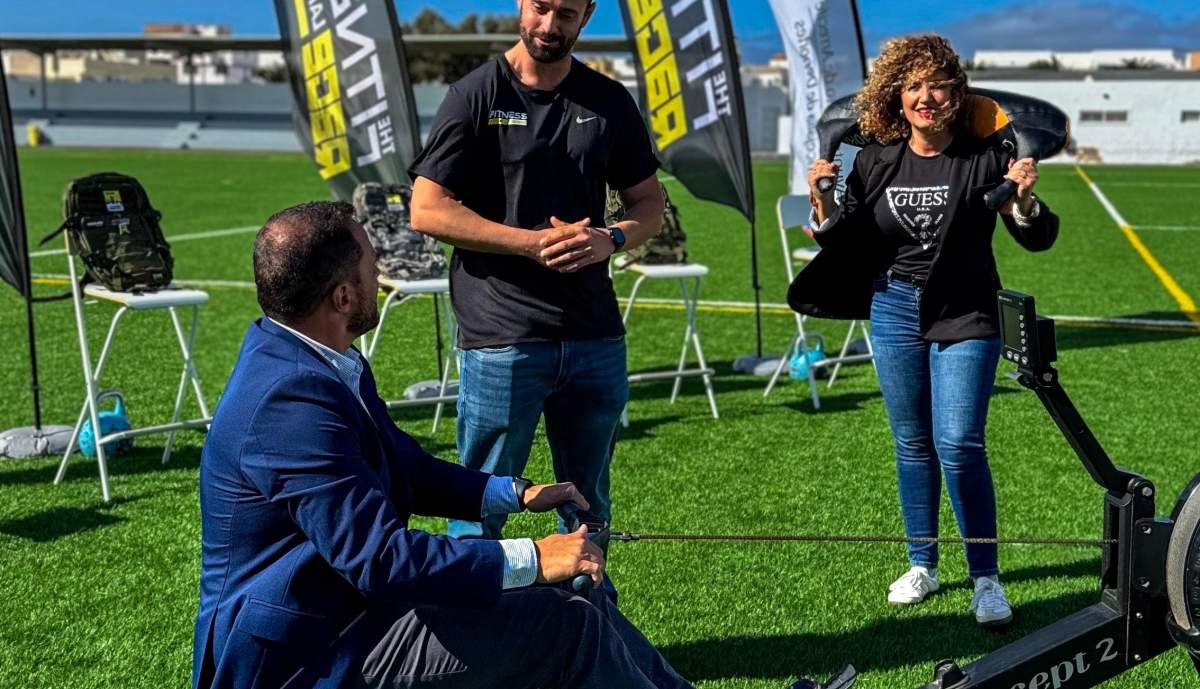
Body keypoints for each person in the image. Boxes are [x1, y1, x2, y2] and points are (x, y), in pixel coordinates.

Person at [192, 201, 694, 689]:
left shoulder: (321, 359)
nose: (381, 271)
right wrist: (534, 557)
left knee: (579, 594)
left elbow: (403, 466)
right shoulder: (287, 403)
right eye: (372, 263)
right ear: (342, 298)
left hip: (358, 612)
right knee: (564, 624)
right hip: (311, 653)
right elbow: (380, 560)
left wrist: (515, 492)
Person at [788, 34, 1060, 627]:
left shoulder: (986, 156)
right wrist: (822, 201)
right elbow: (845, 237)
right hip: (893, 308)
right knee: (912, 442)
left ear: (956, 93)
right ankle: (923, 562)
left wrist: (1024, 201)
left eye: (937, 84)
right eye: (912, 86)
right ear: (897, 96)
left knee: (959, 442)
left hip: (967, 311)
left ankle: (985, 578)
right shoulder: (877, 158)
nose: (925, 97)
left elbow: (1036, 235)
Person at [408, 0, 665, 544]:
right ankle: (472, 625)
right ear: (522, 5)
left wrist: (610, 238)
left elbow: (648, 204)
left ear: (587, 15)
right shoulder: (475, 95)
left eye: (566, 14)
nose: (550, 26)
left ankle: (588, 615)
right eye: (541, 9)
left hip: (594, 335)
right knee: (481, 505)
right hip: (503, 337)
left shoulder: (608, 100)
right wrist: (529, 244)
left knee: (589, 505)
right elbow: (427, 208)